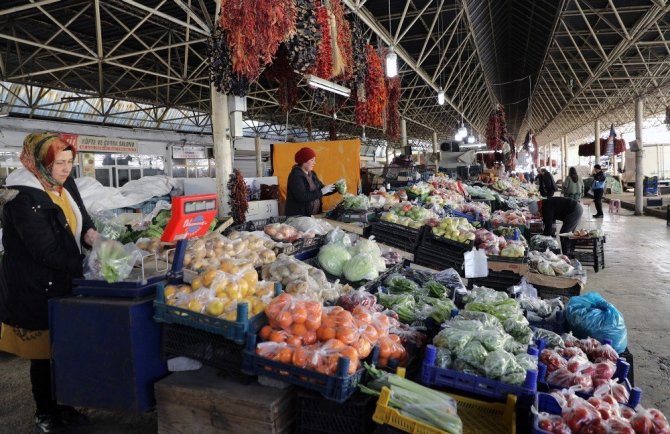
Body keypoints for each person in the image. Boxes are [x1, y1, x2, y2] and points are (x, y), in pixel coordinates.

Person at [0, 133, 98, 433]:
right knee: (43, 355)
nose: (66, 169)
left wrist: (92, 236)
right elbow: (45, 251)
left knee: (64, 348)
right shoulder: (22, 197)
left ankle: (65, 405)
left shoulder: (65, 184)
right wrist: (88, 265)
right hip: (35, 286)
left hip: (64, 280)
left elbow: (81, 217)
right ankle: (45, 412)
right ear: (40, 163)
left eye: (69, 162)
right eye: (59, 163)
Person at [285, 147, 338, 217]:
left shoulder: (312, 174)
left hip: (313, 215)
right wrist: (321, 192)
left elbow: (322, 189)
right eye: (312, 160)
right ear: (303, 161)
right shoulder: (296, 176)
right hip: (299, 217)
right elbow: (302, 197)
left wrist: (337, 187)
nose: (314, 163)